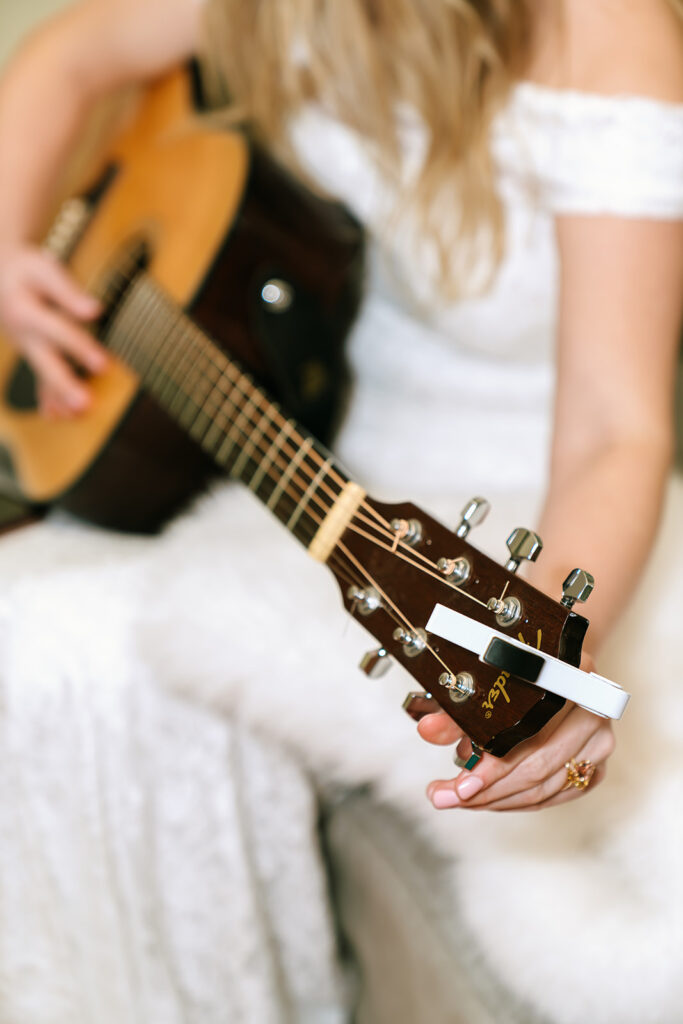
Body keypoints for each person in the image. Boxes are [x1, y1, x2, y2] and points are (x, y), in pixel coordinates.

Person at [0, 1, 681, 1021]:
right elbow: (68, 54)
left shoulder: (606, 34)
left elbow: (611, 430)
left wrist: (543, 652)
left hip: (510, 512)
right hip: (314, 455)